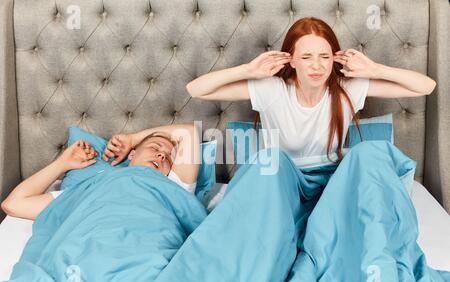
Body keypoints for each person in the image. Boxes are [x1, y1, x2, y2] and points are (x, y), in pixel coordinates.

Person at [186, 17, 436, 164]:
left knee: (369, 155)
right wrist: (248, 71)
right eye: (306, 57)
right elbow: (196, 89)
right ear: (291, 60)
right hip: (283, 182)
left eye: (324, 56)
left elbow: (426, 87)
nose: (316, 66)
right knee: (270, 170)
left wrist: (375, 69)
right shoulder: (272, 90)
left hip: (329, 183)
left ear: (334, 59)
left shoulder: (347, 88)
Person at [1, 124, 199, 221]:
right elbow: (13, 204)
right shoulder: (91, 190)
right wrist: (61, 164)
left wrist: (133, 138)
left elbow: (189, 132)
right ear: (132, 155)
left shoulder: (175, 186)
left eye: (169, 156)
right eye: (155, 148)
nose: (162, 156)